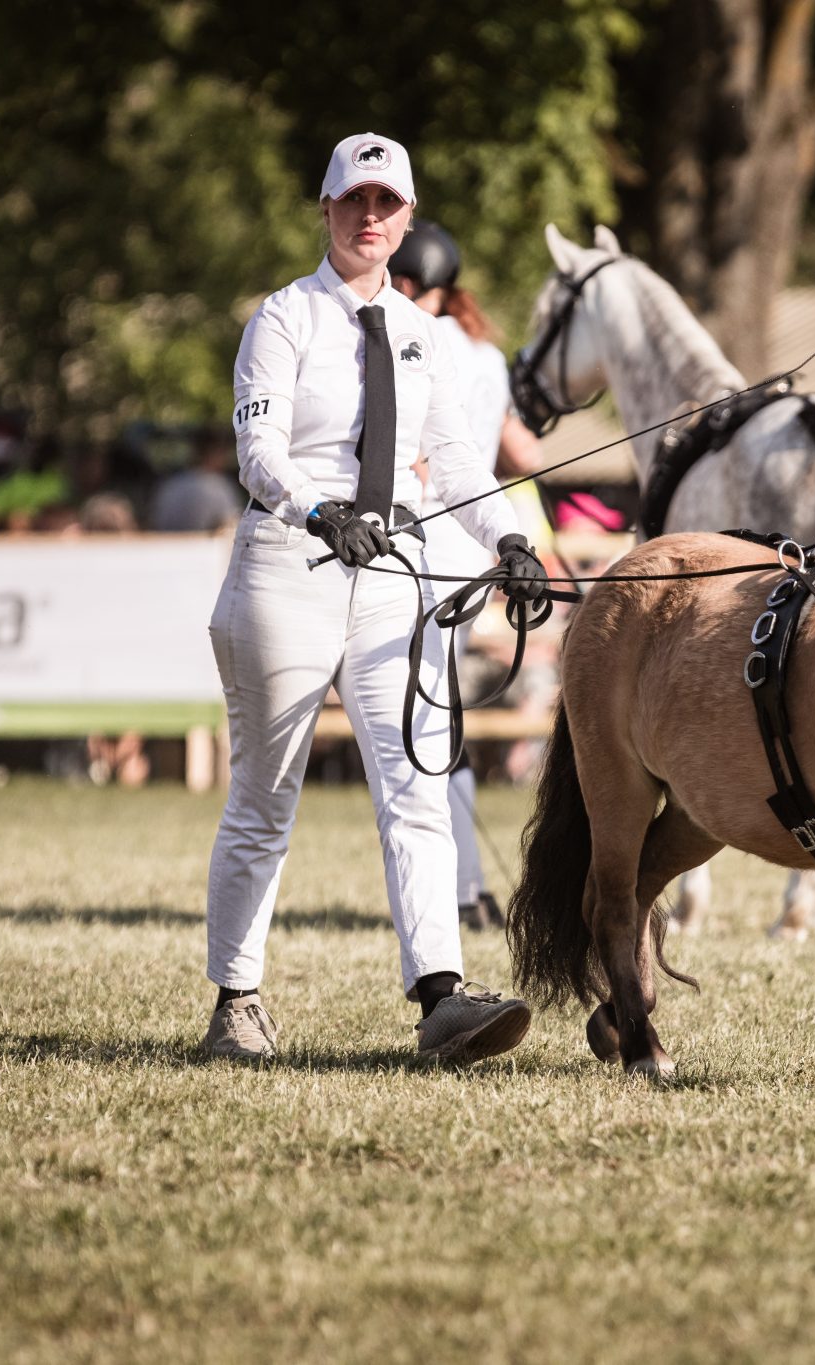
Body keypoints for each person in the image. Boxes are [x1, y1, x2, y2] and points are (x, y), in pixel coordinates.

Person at [202, 133, 547, 1065]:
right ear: (326, 209)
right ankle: (236, 1002)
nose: (370, 217)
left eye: (387, 204)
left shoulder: (422, 335)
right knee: (265, 797)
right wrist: (320, 511)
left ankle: (440, 998)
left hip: (392, 571)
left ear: (405, 219)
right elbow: (259, 454)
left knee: (418, 786)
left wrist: (509, 537)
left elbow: (463, 463)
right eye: (354, 200)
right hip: (289, 564)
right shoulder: (283, 318)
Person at [388, 219, 542, 930]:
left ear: (410, 282)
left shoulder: (412, 331)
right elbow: (522, 454)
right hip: (477, 545)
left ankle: (457, 889)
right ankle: (469, 885)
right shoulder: (485, 349)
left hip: (423, 538)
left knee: (423, 719)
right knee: (438, 713)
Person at [148, 428, 243, 533]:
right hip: (203, 547)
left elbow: (153, 523)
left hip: (164, 547)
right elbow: (231, 527)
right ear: (215, 453)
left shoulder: (170, 484)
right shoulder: (220, 486)